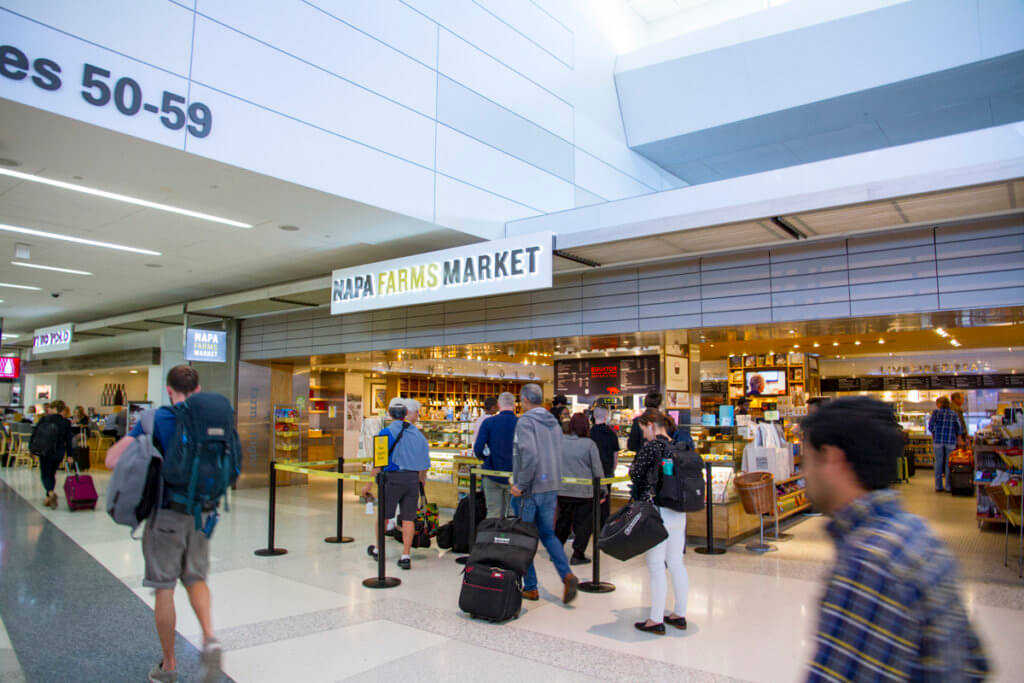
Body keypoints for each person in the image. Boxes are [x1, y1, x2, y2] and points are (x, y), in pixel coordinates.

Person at [801, 397, 988, 680]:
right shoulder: (918, 534)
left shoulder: (866, 564)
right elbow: (973, 663)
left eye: (808, 459)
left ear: (832, 458)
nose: (805, 473)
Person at [105, 366, 223, 683]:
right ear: (198, 390)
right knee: (196, 579)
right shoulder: (212, 420)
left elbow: (112, 459)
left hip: (166, 516)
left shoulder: (154, 419)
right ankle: (210, 638)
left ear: (169, 390)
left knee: (164, 590)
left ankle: (169, 665)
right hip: (201, 514)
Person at [511, 383, 578, 604]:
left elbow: (528, 455)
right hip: (551, 486)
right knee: (548, 534)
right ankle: (566, 574)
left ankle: (531, 587)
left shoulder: (526, 422)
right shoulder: (554, 423)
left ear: (524, 400)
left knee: (524, 538)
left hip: (530, 489)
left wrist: (520, 484)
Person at [630, 409, 689, 635]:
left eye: (644, 429)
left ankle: (655, 619)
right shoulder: (677, 445)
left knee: (656, 566)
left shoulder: (652, 447)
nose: (644, 435)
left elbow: (635, 474)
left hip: (657, 512)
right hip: (678, 512)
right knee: (676, 562)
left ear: (651, 426)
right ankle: (679, 614)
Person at [363, 397, 431, 570]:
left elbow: (378, 463)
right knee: (408, 518)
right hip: (412, 480)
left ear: (390, 414)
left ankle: (379, 550)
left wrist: (368, 484)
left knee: (384, 516)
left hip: (392, 479)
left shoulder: (385, 433)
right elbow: (425, 462)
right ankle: (406, 555)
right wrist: (421, 480)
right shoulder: (419, 435)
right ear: (405, 415)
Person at [555, 413, 604, 565]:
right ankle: (577, 554)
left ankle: (555, 552)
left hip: (562, 490)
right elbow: (597, 470)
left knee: (563, 521)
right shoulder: (589, 445)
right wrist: (602, 489)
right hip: (584, 493)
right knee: (583, 524)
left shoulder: (560, 442)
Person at [473, 392, 518, 518]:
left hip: (491, 473)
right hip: (514, 476)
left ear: (498, 405)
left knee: (493, 512)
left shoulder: (488, 422)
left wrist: (487, 459)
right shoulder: (522, 423)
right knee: (512, 514)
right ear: (514, 405)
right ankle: (510, 537)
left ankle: (492, 537)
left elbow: (478, 449)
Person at [30, 399, 73, 509]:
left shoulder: (44, 419)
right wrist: (70, 455)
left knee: (45, 474)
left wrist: (31, 449)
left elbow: (35, 434)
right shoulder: (66, 422)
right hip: (59, 452)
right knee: (52, 474)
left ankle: (50, 493)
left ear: (54, 408)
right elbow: (68, 440)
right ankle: (48, 498)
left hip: (45, 450)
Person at [588, 405, 619, 522]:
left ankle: (591, 524)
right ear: (606, 416)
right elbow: (615, 454)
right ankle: (603, 525)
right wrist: (613, 468)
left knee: (592, 500)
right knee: (606, 501)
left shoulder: (589, 432)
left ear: (593, 416)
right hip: (607, 471)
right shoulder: (612, 433)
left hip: (591, 473)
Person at [928, 396, 963, 493]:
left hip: (938, 441)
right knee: (948, 464)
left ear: (940, 404)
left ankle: (938, 486)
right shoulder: (953, 414)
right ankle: (948, 486)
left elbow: (930, 426)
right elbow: (959, 428)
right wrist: (959, 438)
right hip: (950, 441)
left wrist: (934, 433)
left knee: (938, 463)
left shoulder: (936, 413)